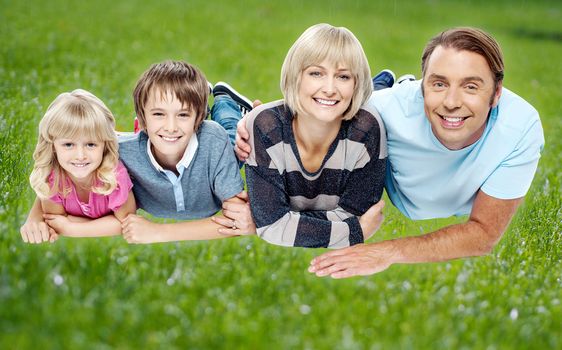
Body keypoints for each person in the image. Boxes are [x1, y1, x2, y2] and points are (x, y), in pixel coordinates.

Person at [236, 27, 544, 276]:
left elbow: (483, 235)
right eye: (438, 84)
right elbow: (319, 105)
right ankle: (384, 83)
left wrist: (389, 251)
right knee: (368, 103)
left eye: (471, 87)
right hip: (388, 119)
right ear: (423, 86)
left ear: (497, 93)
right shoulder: (382, 116)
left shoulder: (520, 128)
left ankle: (382, 82)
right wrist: (252, 121)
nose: (451, 101)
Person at [22, 61, 255, 243]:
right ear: (141, 120)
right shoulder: (118, 150)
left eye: (183, 114)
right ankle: (192, 98)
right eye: (158, 114)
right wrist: (35, 218)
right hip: (176, 133)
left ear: (197, 120)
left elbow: (234, 223)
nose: (171, 126)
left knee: (232, 140)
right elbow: (63, 165)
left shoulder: (212, 141)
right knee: (185, 130)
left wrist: (158, 232)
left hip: (216, 148)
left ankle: (225, 101)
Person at [239, 23, 387, 248]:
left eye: (344, 76)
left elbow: (355, 214)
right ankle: (226, 100)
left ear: (356, 83)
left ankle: (384, 84)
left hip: (366, 108)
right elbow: (271, 224)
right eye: (316, 73)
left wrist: (283, 221)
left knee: (376, 99)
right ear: (295, 76)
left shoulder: (367, 128)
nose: (329, 88)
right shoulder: (264, 126)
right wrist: (354, 233)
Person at [20, 89, 136, 243]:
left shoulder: (114, 174)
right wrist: (107, 223)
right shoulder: (52, 178)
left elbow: (128, 223)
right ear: (53, 146)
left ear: (104, 145)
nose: (80, 155)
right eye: (68, 144)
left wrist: (73, 228)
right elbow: (55, 221)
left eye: (91, 144)